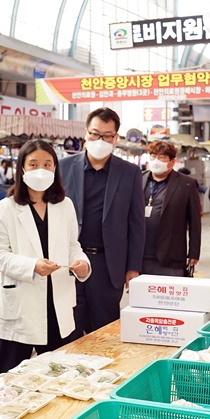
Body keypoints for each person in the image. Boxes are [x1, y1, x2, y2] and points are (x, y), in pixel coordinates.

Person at [0, 139, 90, 374]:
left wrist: (83, 263)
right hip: (21, 305)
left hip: (57, 303)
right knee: (10, 377)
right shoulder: (7, 207)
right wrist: (32, 265)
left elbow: (72, 245)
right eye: (33, 164)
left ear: (55, 169)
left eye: (47, 164)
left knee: (57, 375)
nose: (41, 170)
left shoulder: (64, 205)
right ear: (22, 169)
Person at [59, 107, 145, 336]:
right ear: (86, 133)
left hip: (109, 266)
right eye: (95, 134)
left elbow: (136, 224)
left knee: (106, 333)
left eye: (107, 136)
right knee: (69, 331)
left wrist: (133, 268)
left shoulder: (129, 172)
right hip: (70, 264)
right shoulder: (63, 167)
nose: (100, 140)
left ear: (116, 138)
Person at [140, 141, 201, 277]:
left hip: (171, 254)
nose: (156, 161)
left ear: (172, 162)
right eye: (153, 156)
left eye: (161, 157)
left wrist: (194, 252)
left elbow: (195, 221)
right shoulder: (138, 179)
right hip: (140, 253)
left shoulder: (186, 184)